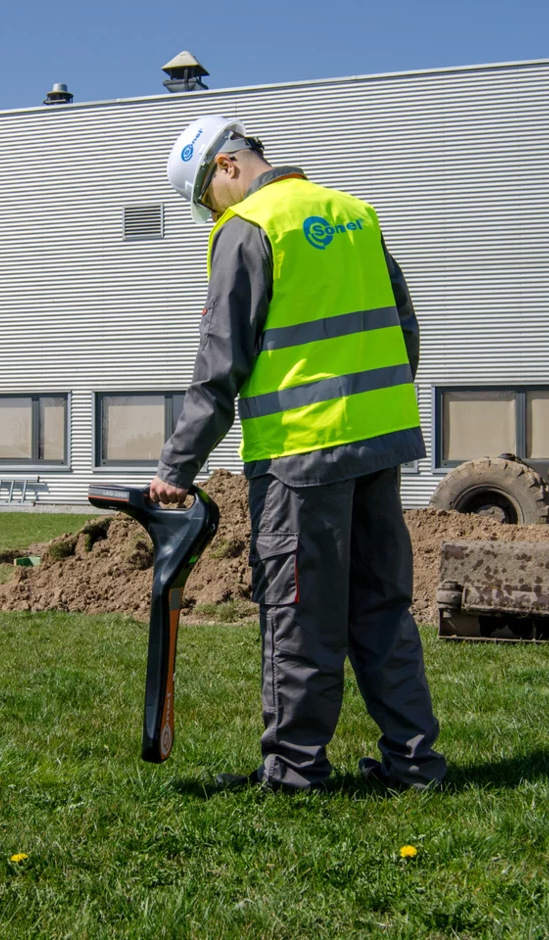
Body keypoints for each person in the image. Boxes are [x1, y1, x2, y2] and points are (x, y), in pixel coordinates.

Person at [153, 115, 446, 792]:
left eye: (206, 200)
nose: (211, 215)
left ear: (226, 167)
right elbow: (405, 327)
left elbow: (220, 363)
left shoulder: (250, 228)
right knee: (382, 608)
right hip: (378, 443)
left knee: (297, 612)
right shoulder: (355, 213)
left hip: (301, 455)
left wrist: (176, 470)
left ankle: (294, 771)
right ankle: (414, 765)